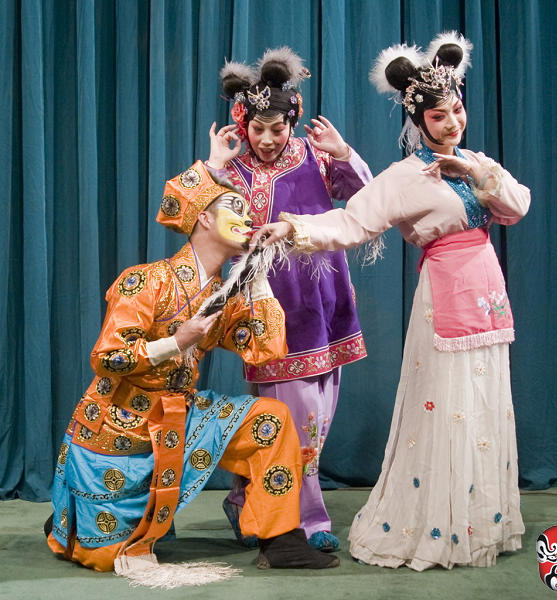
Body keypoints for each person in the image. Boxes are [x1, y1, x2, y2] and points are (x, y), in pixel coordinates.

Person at [251, 32, 530, 570]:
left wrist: (474, 171)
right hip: (444, 296)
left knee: (485, 402)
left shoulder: (477, 161)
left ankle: (481, 521)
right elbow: (352, 222)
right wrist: (291, 228)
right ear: (418, 121)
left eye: (456, 111)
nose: (451, 123)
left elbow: (516, 206)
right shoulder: (405, 177)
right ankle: (438, 521)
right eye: (438, 117)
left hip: (487, 295)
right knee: (446, 405)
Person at [45, 160, 339, 584]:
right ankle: (74, 515)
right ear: (203, 218)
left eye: (249, 214)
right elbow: (107, 356)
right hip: (120, 426)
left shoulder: (225, 298)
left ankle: (281, 541)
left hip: (178, 417)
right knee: (106, 557)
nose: (248, 220)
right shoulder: (146, 281)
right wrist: (176, 341)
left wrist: (256, 276)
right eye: (235, 210)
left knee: (271, 419)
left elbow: (266, 350)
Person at [205, 47, 373, 552]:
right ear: (243, 124)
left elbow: (367, 204)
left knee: (314, 420)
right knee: (291, 422)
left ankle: (246, 500)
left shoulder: (317, 156)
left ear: (292, 122)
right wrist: (212, 168)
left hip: (326, 300)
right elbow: (197, 220)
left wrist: (343, 153)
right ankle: (304, 522)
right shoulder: (234, 171)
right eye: (258, 129)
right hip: (272, 309)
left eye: (277, 129)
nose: (267, 139)